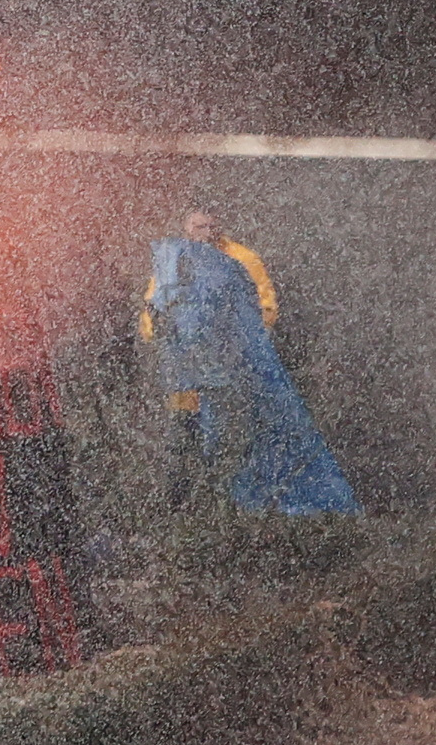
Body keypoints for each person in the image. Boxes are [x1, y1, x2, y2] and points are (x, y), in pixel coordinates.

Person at [141, 207, 359, 514]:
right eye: (196, 226)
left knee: (229, 446)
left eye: (208, 224)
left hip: (229, 381)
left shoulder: (241, 259)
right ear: (186, 227)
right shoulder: (175, 262)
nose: (203, 231)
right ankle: (181, 512)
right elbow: (153, 310)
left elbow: (264, 310)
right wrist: (169, 341)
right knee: (182, 446)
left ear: (219, 224)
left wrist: (230, 346)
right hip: (186, 383)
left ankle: (230, 511)